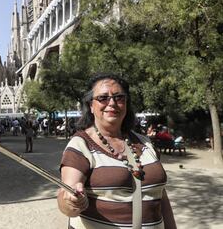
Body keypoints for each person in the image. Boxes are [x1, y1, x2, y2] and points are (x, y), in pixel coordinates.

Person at [57, 73, 176, 229]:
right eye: (103, 98)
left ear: (126, 104)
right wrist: (72, 202)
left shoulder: (145, 142)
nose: (112, 102)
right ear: (91, 106)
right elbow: (66, 197)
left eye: (119, 97)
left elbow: (160, 195)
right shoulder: (80, 145)